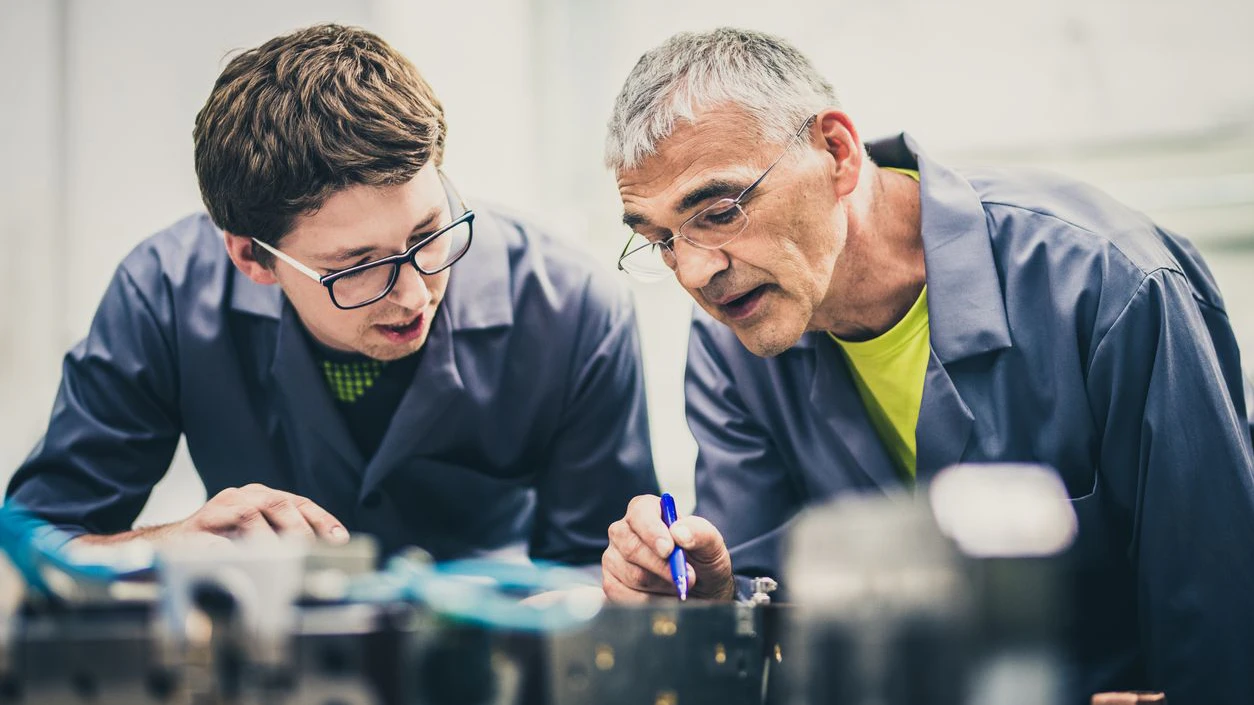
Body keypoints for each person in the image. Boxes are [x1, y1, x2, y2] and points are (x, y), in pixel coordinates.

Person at [599, 27, 1254, 702]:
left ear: (836, 152)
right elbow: (782, 633)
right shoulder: (732, 343)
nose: (697, 271)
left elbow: (1220, 619)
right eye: (661, 240)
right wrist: (715, 601)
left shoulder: (1106, 285)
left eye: (719, 210)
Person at [7, 24, 658, 566]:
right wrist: (171, 546)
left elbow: (604, 590)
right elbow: (32, 546)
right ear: (251, 257)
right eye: (357, 267)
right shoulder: (162, 295)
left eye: (429, 233)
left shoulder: (575, 308)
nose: (411, 294)